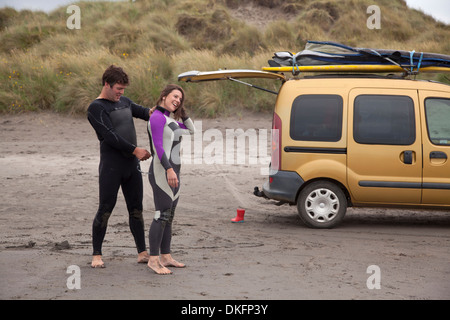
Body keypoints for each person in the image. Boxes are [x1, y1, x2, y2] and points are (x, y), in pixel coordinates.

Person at [87, 65, 152, 268]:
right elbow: (110, 136)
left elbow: (144, 112)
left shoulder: (123, 101)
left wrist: (164, 108)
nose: (121, 93)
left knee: (136, 209)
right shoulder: (96, 108)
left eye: (123, 89)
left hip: (131, 166)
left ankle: (142, 252)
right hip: (111, 167)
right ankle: (96, 255)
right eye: (118, 89)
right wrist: (136, 150)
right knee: (105, 209)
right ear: (107, 84)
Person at [146, 84, 195, 274]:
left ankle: (166, 256)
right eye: (175, 96)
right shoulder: (157, 118)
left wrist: (181, 111)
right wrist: (168, 169)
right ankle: (153, 259)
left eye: (180, 99)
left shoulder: (169, 120)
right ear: (164, 96)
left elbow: (191, 131)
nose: (177, 100)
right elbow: (158, 147)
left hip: (175, 171)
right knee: (161, 214)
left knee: (169, 216)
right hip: (162, 171)